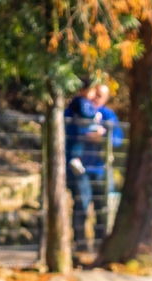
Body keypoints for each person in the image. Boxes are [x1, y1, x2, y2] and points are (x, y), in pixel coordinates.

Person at [64, 83, 123, 253]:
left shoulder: (108, 115)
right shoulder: (75, 109)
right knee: (81, 204)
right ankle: (80, 245)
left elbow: (118, 139)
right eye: (94, 93)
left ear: (106, 99)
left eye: (100, 95)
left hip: (101, 169)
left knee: (102, 207)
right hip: (80, 168)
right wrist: (84, 135)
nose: (95, 98)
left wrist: (103, 136)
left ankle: (100, 245)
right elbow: (65, 129)